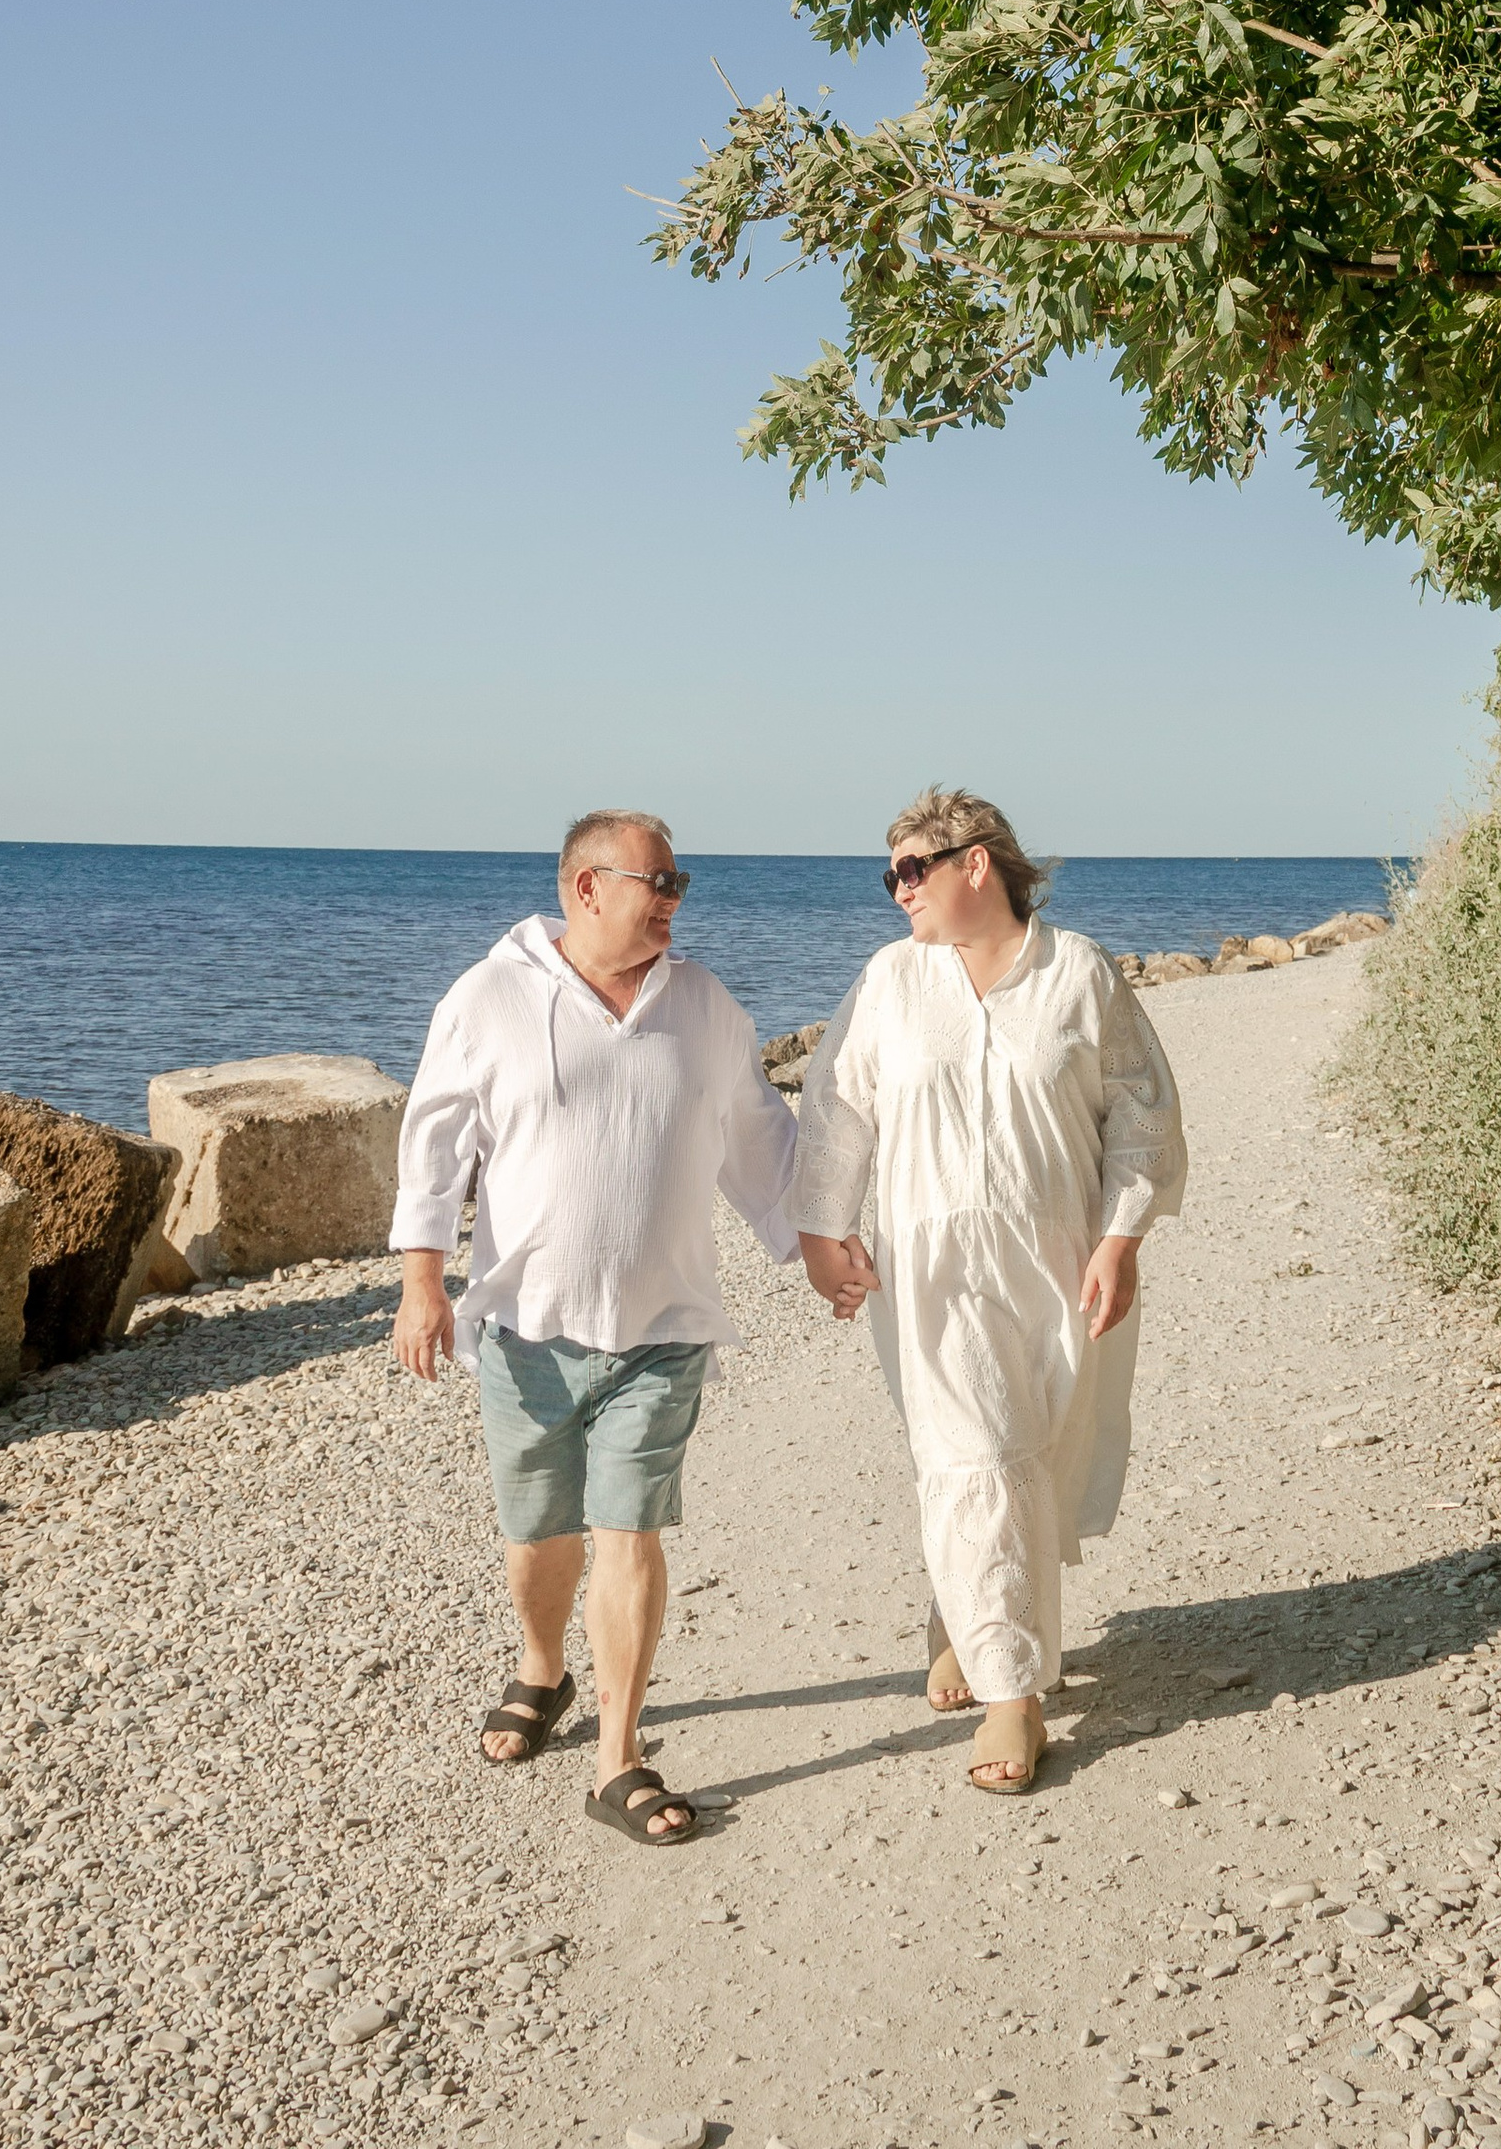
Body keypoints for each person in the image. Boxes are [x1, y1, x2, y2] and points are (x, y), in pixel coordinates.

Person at [390, 807, 801, 1848]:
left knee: (630, 1534)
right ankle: (541, 1668)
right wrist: (422, 1283)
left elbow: (756, 1131)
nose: (671, 901)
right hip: (527, 1332)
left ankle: (620, 1757)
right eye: (655, 883)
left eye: (678, 885)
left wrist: (816, 1243)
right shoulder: (489, 998)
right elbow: (434, 1141)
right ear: (585, 887)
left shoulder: (701, 1004)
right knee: (542, 1539)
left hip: (663, 1327)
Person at [794, 785, 1187, 1796]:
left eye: (911, 870)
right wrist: (823, 1234)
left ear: (977, 864)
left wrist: (1121, 1238)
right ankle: (1016, 1692)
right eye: (888, 875)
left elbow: (1138, 1113)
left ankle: (958, 1615)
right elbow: (838, 1108)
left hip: (1053, 1258)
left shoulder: (1079, 975)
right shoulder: (891, 981)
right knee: (977, 1453)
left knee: (1041, 1452)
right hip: (928, 1266)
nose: (896, 893)